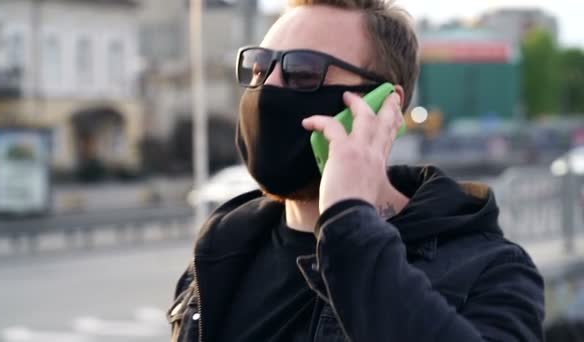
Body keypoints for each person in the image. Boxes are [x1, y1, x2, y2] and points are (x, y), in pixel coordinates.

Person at [167, 0, 545, 341]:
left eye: (302, 71)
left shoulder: (492, 270)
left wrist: (348, 222)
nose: (268, 88)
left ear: (385, 107)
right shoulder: (219, 253)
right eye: (259, 68)